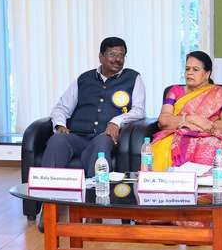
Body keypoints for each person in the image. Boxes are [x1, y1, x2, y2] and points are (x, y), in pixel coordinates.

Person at [43, 37, 146, 176]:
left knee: (102, 143)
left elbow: (139, 110)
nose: (117, 59)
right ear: (101, 56)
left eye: (121, 55)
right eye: (112, 54)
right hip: (77, 136)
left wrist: (116, 121)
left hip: (105, 137)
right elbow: (61, 108)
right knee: (57, 140)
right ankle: (48, 187)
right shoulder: (84, 79)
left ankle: (95, 189)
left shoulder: (133, 78)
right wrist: (60, 125)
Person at [151, 52, 222, 180]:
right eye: (187, 69)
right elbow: (164, 120)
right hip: (176, 135)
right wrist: (193, 119)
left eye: (195, 69)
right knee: (161, 148)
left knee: (209, 149)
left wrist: (196, 128)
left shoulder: (221, 94)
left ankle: (205, 191)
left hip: (209, 137)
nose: (189, 73)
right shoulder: (175, 91)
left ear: (207, 74)